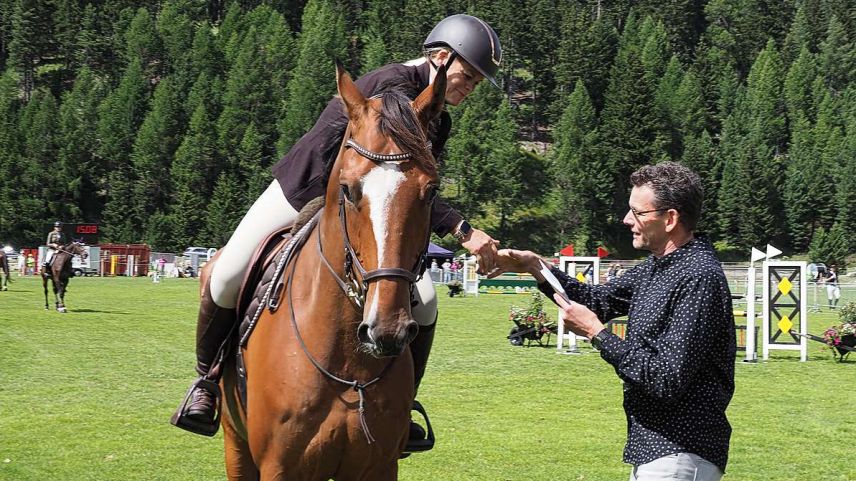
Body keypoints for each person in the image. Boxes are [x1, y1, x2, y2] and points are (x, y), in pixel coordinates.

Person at [171, 14, 504, 451]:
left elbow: (407, 189)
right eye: (468, 75)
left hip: (361, 210)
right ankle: (208, 382)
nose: (470, 86)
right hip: (306, 186)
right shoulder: (393, 89)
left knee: (425, 302)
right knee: (227, 273)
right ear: (441, 58)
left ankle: (403, 406)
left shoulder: (436, 113)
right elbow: (384, 174)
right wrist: (462, 229)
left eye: (478, 81)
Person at [492, 162, 735, 480]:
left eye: (637, 213)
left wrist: (597, 333)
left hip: (682, 452)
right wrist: (537, 267)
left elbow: (666, 379)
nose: (626, 220)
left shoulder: (698, 276)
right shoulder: (656, 266)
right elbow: (595, 301)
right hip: (658, 450)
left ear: (670, 218)